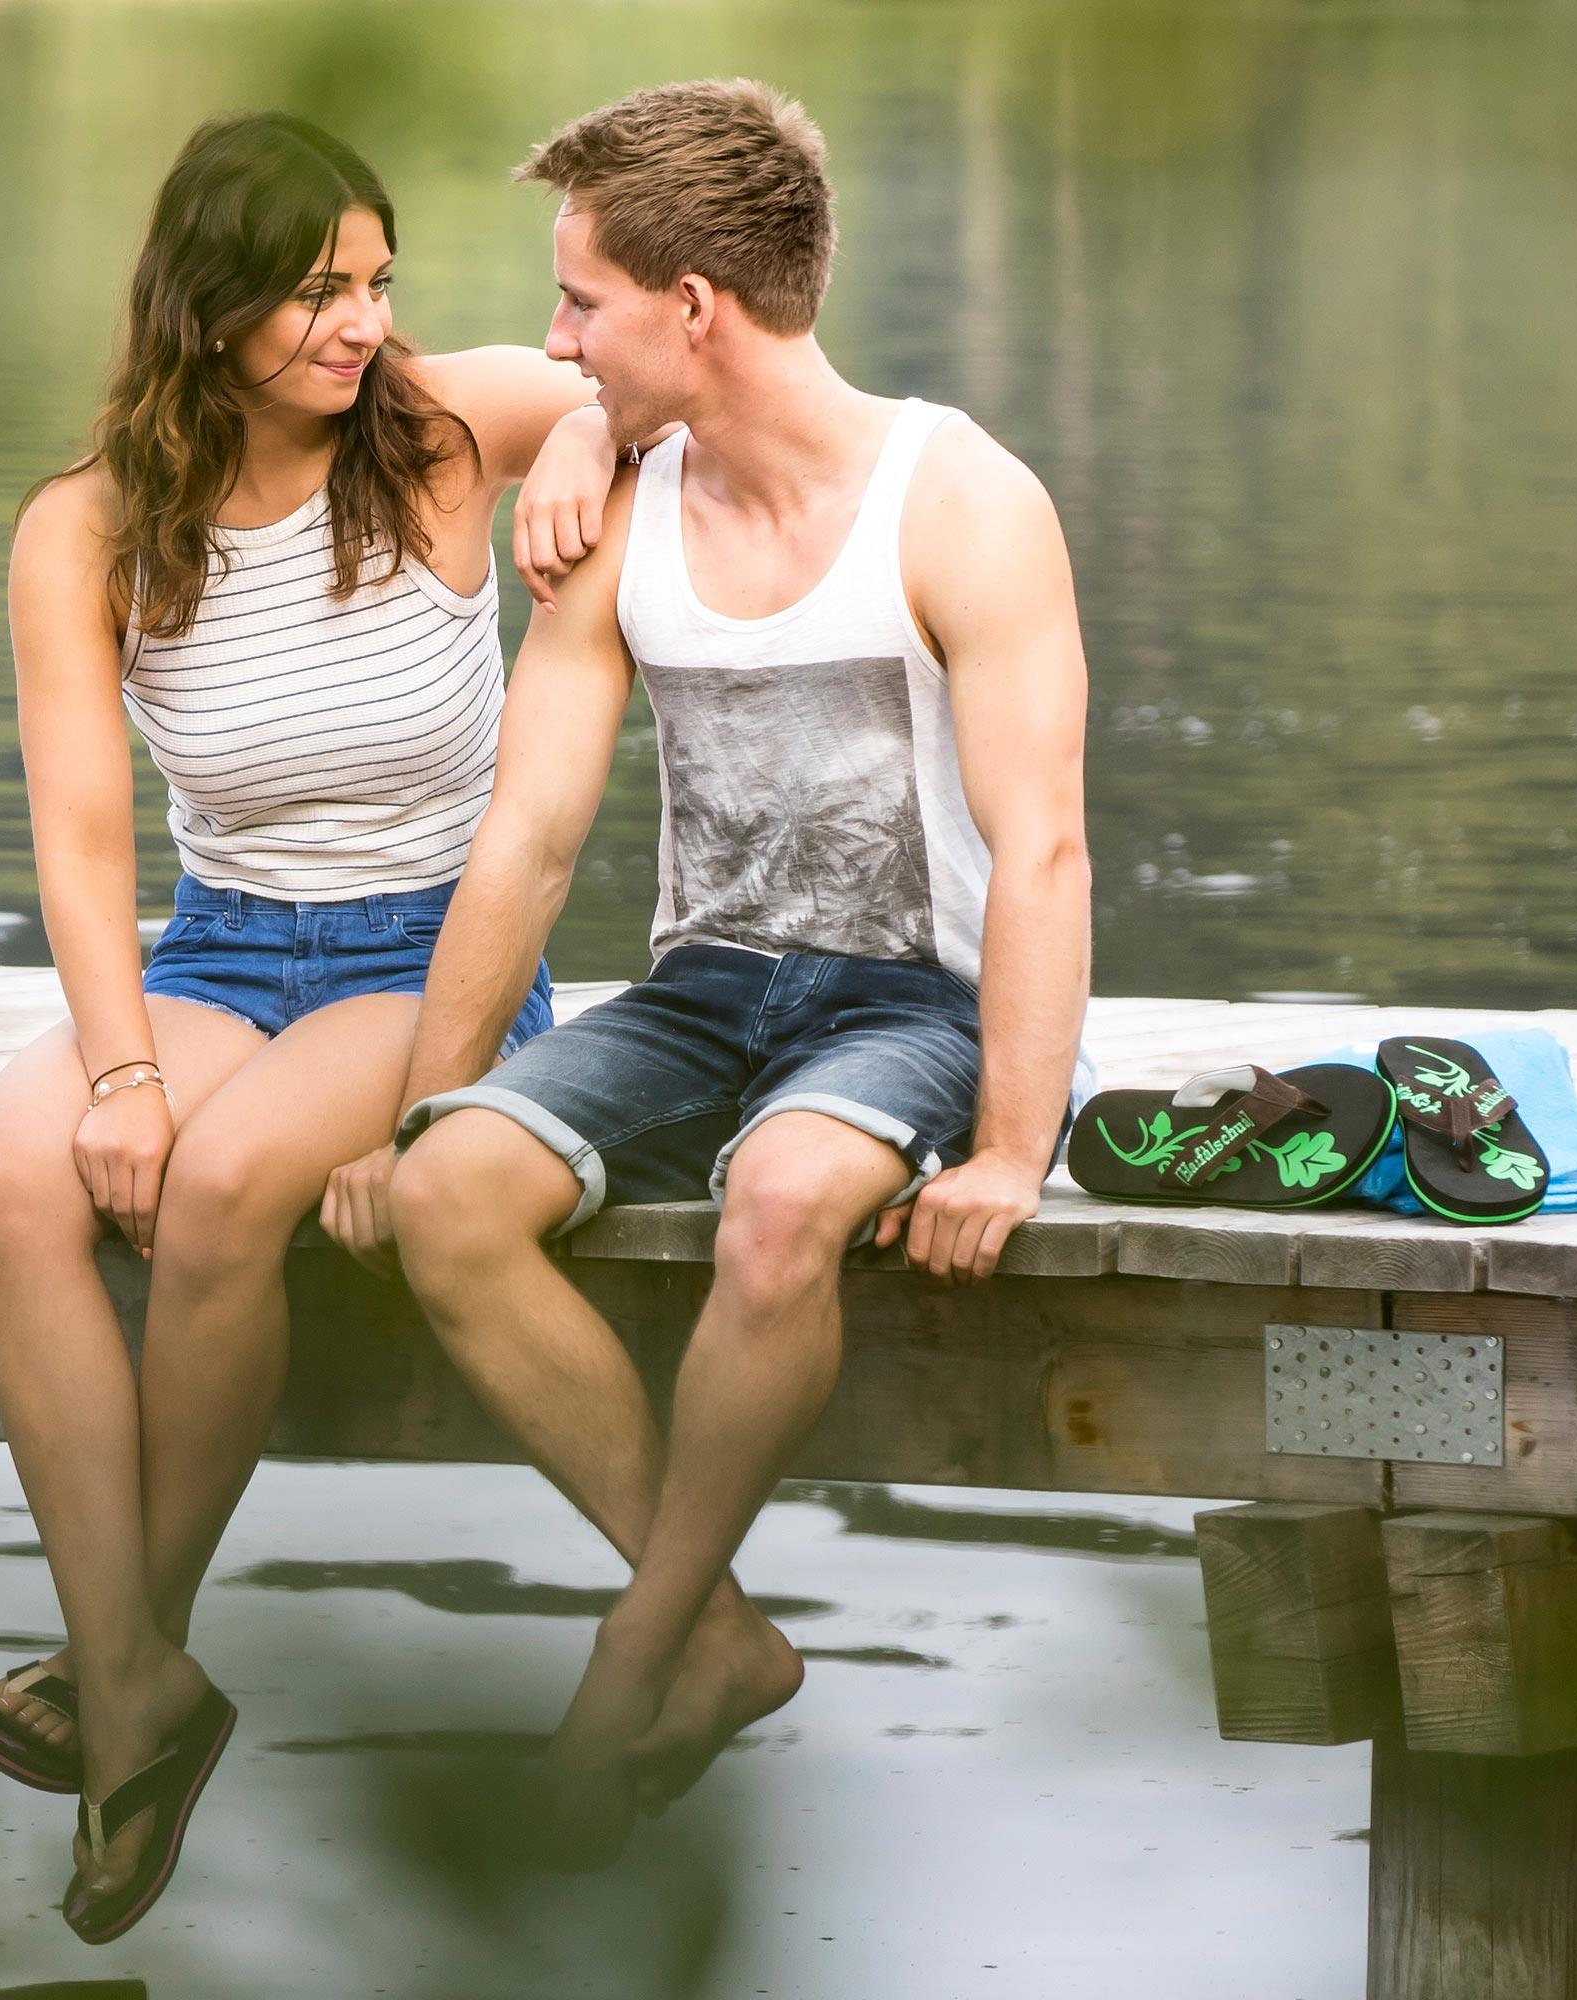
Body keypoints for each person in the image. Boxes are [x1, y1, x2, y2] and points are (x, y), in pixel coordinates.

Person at [325, 79, 1094, 1868]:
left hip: (920, 1000)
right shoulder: (622, 515)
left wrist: (1009, 1145)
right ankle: (718, 1627)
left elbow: (1043, 848)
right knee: (449, 1197)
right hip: (704, 990)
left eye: (581, 302)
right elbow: (524, 840)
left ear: (696, 308)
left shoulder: (961, 501)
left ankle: (637, 1646)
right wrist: (419, 1112)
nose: (551, 336)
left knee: (779, 1205)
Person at [0, 111, 626, 1939]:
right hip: (226, 946)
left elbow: (684, 378)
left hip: (434, 956)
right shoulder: (84, 527)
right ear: (211, 298)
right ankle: (141, 1679)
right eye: (320, 287)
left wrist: (596, 450)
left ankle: (114, 1678)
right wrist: (119, 1073)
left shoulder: (448, 430)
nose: (362, 319)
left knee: (230, 1186)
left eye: (378, 278)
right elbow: (80, 840)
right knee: (13, 1175)